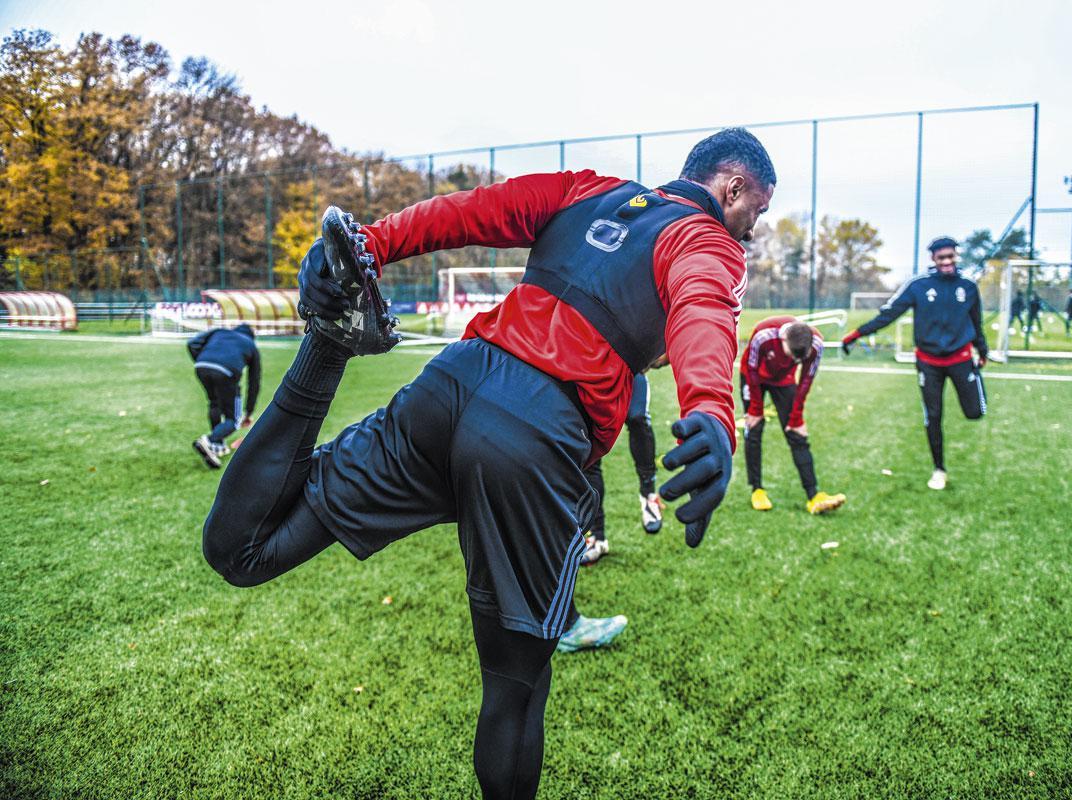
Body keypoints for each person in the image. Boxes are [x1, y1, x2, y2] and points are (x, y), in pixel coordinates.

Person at [200, 127, 775, 799]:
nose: (751, 231)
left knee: (241, 553)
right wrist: (710, 410)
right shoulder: (707, 239)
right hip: (534, 444)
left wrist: (368, 247)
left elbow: (471, 209)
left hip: (448, 391)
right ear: (731, 187)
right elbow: (706, 304)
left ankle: (328, 345)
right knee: (515, 692)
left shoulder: (588, 189)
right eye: (754, 212)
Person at [841, 236, 987, 491]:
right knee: (933, 416)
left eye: (951, 257)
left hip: (961, 358)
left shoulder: (969, 286)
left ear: (956, 256)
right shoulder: (918, 286)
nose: (947, 262)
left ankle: (974, 385)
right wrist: (858, 333)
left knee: (974, 412)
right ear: (933, 259)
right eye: (941, 258)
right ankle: (939, 469)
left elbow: (977, 322)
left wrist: (982, 350)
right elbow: (889, 314)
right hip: (928, 362)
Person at [740, 315, 845, 514]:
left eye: (799, 359)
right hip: (754, 378)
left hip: (783, 381)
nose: (794, 361)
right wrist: (755, 409)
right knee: (754, 429)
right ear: (783, 340)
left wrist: (796, 417)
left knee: (797, 434)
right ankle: (757, 490)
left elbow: (806, 380)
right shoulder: (763, 334)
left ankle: (814, 496)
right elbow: (751, 369)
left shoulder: (816, 345)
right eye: (790, 355)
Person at [580, 366, 666, 566]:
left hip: (628, 365)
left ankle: (648, 496)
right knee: (589, 452)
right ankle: (597, 537)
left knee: (637, 417)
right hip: (591, 369)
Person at [187, 323, 260, 469]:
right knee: (233, 420)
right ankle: (208, 440)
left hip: (201, 367)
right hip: (226, 372)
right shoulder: (250, 344)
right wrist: (249, 411)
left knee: (214, 403)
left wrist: (203, 359)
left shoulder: (220, 331)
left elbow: (192, 343)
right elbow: (254, 381)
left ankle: (216, 446)